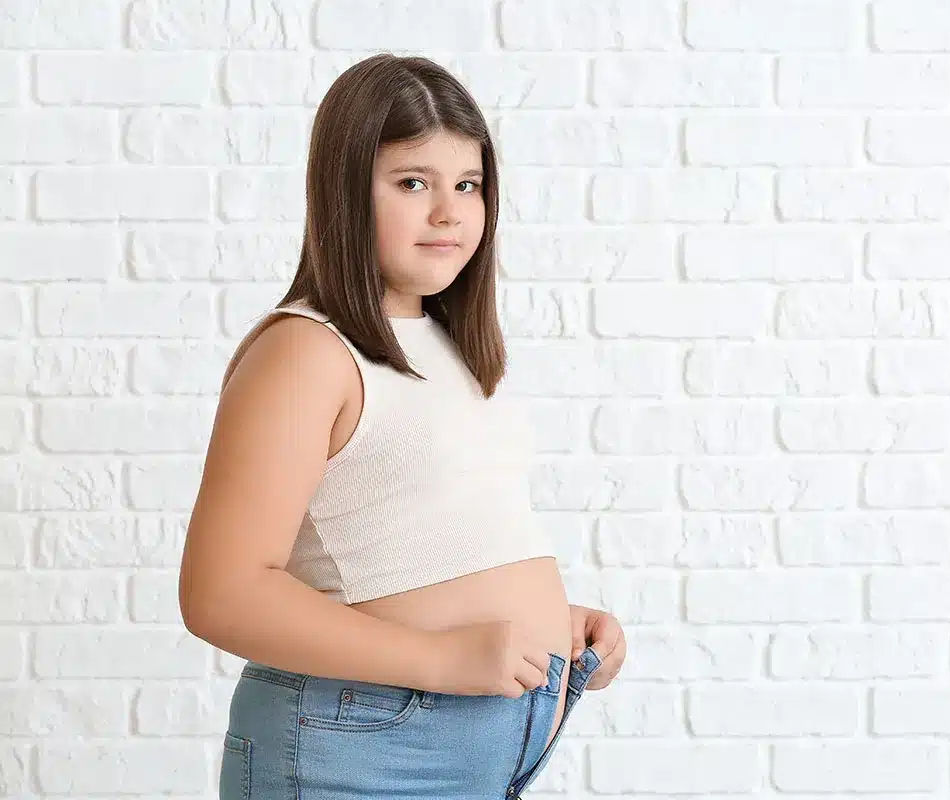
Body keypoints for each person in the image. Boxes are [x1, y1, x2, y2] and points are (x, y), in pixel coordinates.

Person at [177, 53, 627, 799]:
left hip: (472, 745)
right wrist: (443, 658)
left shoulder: (444, 345)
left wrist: (555, 627)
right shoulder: (305, 352)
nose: (449, 211)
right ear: (345, 193)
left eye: (468, 184)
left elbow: (412, 550)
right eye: (414, 182)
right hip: (361, 754)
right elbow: (221, 594)